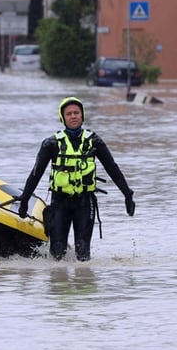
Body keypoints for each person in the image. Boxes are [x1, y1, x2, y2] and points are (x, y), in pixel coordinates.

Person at [18, 97, 136, 261]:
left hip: (84, 203)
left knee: (83, 253)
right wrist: (24, 200)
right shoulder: (51, 144)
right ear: (63, 118)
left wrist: (127, 194)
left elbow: (112, 168)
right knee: (57, 253)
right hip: (59, 203)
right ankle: (58, 283)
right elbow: (35, 174)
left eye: (76, 113)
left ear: (82, 116)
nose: (73, 116)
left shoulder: (94, 141)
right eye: (69, 114)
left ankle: (84, 284)